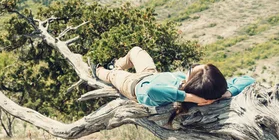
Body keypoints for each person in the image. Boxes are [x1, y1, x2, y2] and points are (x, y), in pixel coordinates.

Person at [93, 46, 255, 114]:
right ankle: (116, 64)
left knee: (110, 75)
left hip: (132, 85)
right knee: (136, 51)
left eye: (193, 70)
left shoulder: (172, 95)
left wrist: (187, 97)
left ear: (192, 84)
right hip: (150, 74)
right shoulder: (210, 88)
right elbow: (248, 80)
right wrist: (225, 93)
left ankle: (98, 70)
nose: (191, 67)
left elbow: (152, 90)